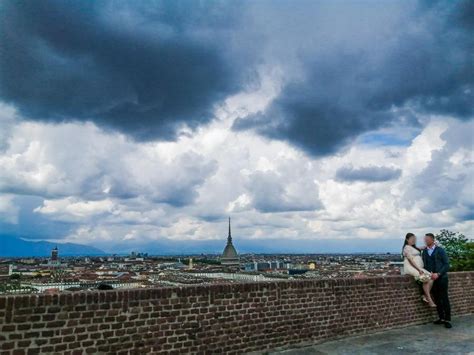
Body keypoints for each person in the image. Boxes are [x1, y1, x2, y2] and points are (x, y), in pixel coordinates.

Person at [422, 233, 452, 329]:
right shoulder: (425, 252)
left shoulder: (440, 250)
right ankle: (441, 318)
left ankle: (447, 320)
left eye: (427, 239)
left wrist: (438, 274)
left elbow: (447, 265)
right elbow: (425, 265)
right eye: (425, 239)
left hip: (442, 278)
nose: (425, 241)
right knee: (437, 299)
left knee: (444, 298)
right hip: (431, 279)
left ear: (432, 240)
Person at [402, 233, 436, 307]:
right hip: (412, 267)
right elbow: (410, 261)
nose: (413, 241)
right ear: (407, 239)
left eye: (414, 239)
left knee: (432, 278)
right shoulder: (406, 248)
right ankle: (429, 300)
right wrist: (418, 269)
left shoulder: (414, 247)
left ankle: (424, 295)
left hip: (419, 268)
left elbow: (423, 247)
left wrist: (432, 244)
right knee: (426, 278)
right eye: (412, 239)